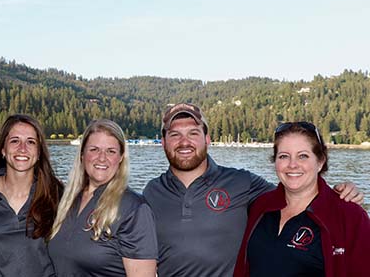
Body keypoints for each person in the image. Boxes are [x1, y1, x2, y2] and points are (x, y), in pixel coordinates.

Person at [142, 103, 364, 277]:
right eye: (174, 134)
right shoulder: (151, 192)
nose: (184, 141)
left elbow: (301, 188)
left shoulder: (242, 183)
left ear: (207, 138)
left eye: (193, 133)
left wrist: (340, 192)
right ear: (163, 141)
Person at [234, 121, 370, 276]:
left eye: (303, 156)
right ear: (275, 162)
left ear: (320, 161)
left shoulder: (350, 216)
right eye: (284, 156)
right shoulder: (260, 206)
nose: (293, 165)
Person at [48, 119, 158, 277]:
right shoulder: (67, 200)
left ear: (120, 158)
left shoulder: (134, 209)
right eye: (94, 149)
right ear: (82, 154)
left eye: (111, 151)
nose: (101, 158)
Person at [0, 114, 63, 277]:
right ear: (3, 149)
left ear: (38, 151)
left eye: (31, 142)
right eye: (15, 141)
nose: (22, 148)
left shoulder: (57, 194)